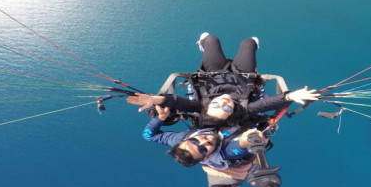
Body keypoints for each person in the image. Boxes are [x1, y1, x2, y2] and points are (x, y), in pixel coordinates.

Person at [127, 33, 319, 127]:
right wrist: (291, 95)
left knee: (210, 38)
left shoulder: (200, 106)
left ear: (208, 108)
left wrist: (156, 100)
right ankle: (250, 45)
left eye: (217, 106)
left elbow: (176, 101)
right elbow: (267, 104)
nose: (225, 103)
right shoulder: (243, 107)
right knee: (249, 42)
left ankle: (203, 44)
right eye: (227, 108)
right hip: (244, 75)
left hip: (213, 73)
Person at [143, 104, 267, 187]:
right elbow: (237, 147)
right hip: (243, 117)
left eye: (194, 141)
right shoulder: (225, 154)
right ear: (207, 156)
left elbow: (148, 136)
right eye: (203, 150)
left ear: (186, 140)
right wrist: (246, 141)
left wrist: (160, 118)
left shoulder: (181, 140)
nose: (203, 141)